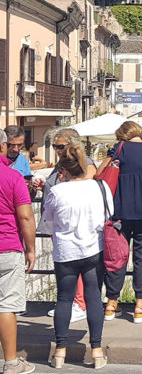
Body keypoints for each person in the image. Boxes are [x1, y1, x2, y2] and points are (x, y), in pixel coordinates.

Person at [38, 145, 110, 369]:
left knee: (65, 298)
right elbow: (108, 215)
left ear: (64, 170)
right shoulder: (100, 186)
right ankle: (97, 351)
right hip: (92, 249)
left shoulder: (58, 191)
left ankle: (59, 352)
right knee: (93, 297)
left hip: (66, 251)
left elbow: (47, 221)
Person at [96, 120, 142, 324]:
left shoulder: (119, 149)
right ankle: (141, 305)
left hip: (121, 211)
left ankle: (111, 303)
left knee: (116, 256)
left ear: (122, 135)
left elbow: (100, 174)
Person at [35, 129, 98, 323]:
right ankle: (75, 302)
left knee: (76, 266)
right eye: (55, 146)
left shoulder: (85, 163)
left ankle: (79, 303)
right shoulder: (61, 165)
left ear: (72, 145)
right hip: (61, 223)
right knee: (69, 268)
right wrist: (44, 186)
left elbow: (81, 187)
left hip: (74, 224)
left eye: (60, 146)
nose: (57, 150)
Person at [0, 128, 36, 374]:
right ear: (2, 147)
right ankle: (11, 362)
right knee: (6, 306)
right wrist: (31, 250)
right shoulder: (12, 177)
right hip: (7, 246)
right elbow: (25, 216)